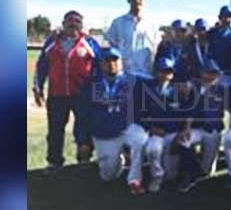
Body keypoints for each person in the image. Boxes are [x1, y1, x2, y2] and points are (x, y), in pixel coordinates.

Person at [33, 10, 100, 170]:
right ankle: (54, 162)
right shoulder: (51, 41)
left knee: (84, 127)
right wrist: (38, 88)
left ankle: (84, 159)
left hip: (82, 94)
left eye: (77, 21)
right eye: (69, 21)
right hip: (57, 94)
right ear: (63, 23)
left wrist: (98, 91)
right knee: (55, 129)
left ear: (82, 25)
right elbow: (41, 66)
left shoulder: (89, 42)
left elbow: (99, 67)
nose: (73, 24)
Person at [80, 47, 148, 183]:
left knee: (140, 139)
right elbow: (83, 114)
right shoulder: (91, 84)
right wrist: (82, 140)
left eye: (115, 60)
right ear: (101, 64)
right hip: (104, 133)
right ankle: (120, 158)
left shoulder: (132, 79)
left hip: (126, 128)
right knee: (108, 175)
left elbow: (158, 80)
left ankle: (134, 180)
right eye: (108, 61)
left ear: (121, 62)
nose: (112, 64)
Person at [133, 57, 199, 193]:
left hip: (173, 134)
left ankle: (177, 172)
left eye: (168, 72)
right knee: (152, 150)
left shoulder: (179, 91)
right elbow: (139, 114)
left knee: (171, 176)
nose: (165, 75)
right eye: (162, 71)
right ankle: (156, 177)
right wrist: (150, 129)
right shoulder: (147, 89)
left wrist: (182, 131)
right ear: (156, 72)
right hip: (157, 132)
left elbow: (188, 112)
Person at [177, 59, 226, 193]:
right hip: (197, 129)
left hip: (213, 131)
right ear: (201, 73)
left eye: (214, 73)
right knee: (183, 140)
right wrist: (186, 128)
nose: (210, 76)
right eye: (208, 73)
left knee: (207, 171)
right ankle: (191, 172)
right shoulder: (195, 87)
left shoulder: (223, 90)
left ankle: (201, 164)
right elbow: (190, 110)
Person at [105, 0, 159, 78]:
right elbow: (112, 47)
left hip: (146, 75)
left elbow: (156, 48)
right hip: (123, 75)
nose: (137, 1)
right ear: (128, 0)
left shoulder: (152, 25)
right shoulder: (118, 22)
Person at [208, 6, 231, 85]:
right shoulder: (212, 33)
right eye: (224, 16)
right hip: (216, 73)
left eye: (229, 17)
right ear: (220, 18)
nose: (227, 19)